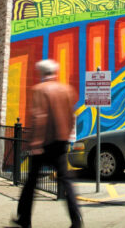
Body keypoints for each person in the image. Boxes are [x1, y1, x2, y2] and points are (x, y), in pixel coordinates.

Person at [12, 59, 83, 228]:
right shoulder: (66, 90)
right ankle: (76, 220)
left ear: (42, 73)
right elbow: (72, 116)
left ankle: (24, 219)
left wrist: (35, 143)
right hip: (60, 143)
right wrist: (67, 136)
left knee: (30, 183)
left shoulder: (40, 90)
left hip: (43, 144)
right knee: (66, 181)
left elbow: (39, 117)